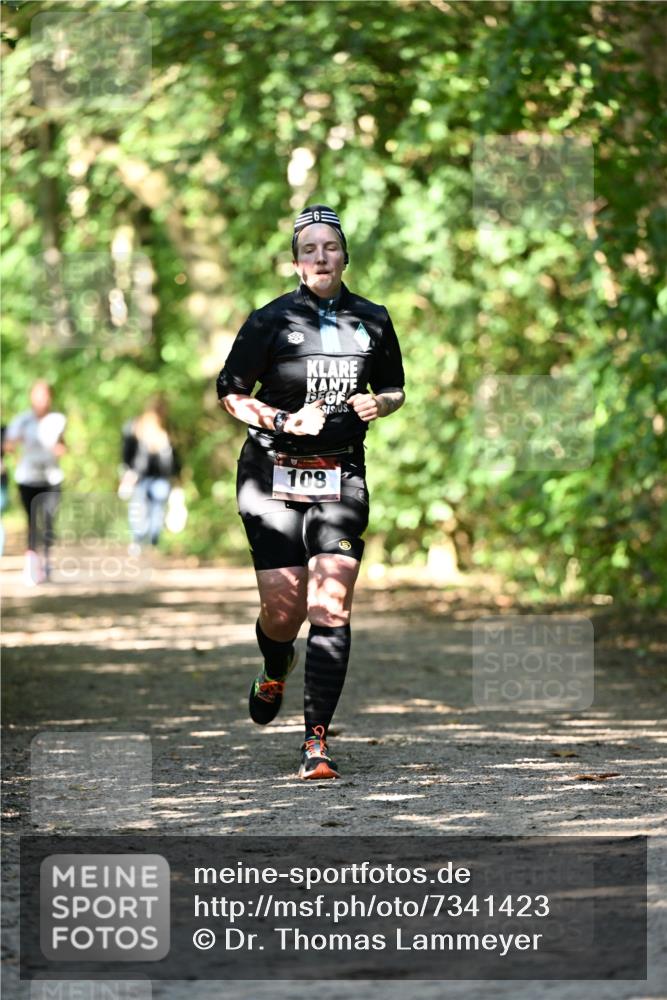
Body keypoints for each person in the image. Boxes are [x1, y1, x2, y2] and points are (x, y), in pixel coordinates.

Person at [216, 204, 405, 780]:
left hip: (342, 473)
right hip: (270, 473)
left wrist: (382, 403)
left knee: (331, 602)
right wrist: (277, 420)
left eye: (330, 248)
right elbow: (230, 392)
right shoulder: (269, 320)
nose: (320, 257)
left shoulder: (373, 318)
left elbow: (394, 386)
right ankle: (275, 664)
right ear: (296, 262)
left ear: (345, 255)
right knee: (284, 608)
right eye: (309, 250)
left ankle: (315, 744)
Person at [4, 380, 67, 585]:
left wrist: (60, 449)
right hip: (27, 478)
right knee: (32, 522)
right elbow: (7, 445)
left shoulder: (57, 419)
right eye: (38, 394)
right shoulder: (21, 421)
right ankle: (32, 565)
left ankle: (47, 561)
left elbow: (63, 445)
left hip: (51, 478)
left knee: (48, 520)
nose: (42, 399)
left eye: (46, 394)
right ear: (31, 396)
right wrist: (16, 447)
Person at [119, 396, 180, 550]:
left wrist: (177, 475)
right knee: (139, 509)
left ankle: (153, 542)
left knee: (157, 510)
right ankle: (138, 540)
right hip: (139, 476)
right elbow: (127, 451)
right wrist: (127, 471)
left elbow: (176, 454)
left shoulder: (169, 428)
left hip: (162, 477)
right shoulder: (135, 426)